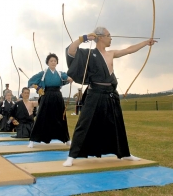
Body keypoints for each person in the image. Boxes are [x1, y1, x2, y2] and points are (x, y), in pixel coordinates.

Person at [63, 27, 157, 166]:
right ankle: (72, 156)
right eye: (109, 35)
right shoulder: (89, 54)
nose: (111, 38)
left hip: (111, 94)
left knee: (117, 123)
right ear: (100, 37)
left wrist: (145, 43)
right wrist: (83, 38)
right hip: (95, 93)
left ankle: (125, 153)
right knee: (84, 123)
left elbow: (128, 50)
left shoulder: (111, 53)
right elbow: (71, 51)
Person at [27, 53, 73, 147]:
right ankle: (32, 140)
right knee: (41, 117)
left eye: (55, 61)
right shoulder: (43, 73)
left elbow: (67, 78)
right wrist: (38, 87)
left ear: (57, 63)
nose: (53, 62)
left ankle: (66, 139)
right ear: (47, 62)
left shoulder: (60, 73)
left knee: (61, 117)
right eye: (51, 61)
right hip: (46, 95)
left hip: (57, 96)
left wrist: (70, 78)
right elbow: (31, 82)